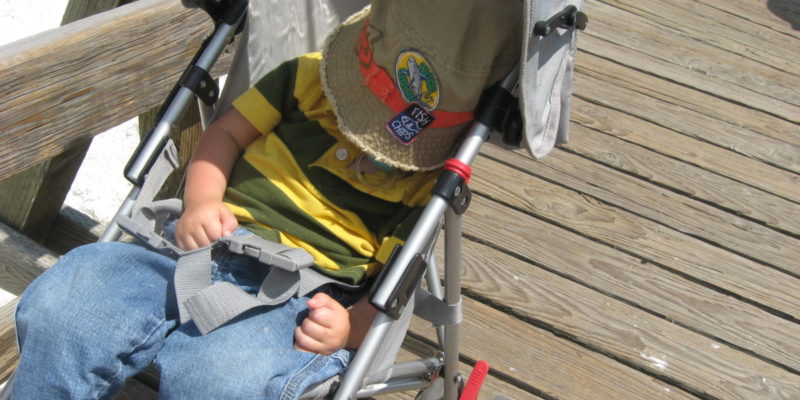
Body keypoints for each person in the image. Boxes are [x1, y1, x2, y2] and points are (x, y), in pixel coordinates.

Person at [10, 0, 521, 398]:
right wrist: (201, 201)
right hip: (197, 247)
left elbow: (391, 287)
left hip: (296, 297)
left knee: (223, 382)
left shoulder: (424, 177)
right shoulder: (306, 79)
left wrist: (350, 328)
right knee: (68, 307)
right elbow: (226, 135)